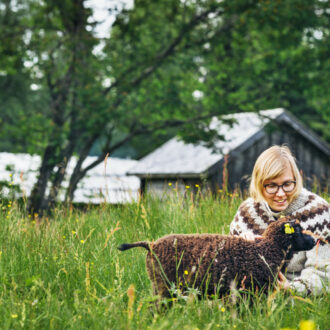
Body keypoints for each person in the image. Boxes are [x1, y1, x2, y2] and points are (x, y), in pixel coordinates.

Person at [230, 145, 329, 294]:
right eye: (271, 186)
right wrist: (241, 246)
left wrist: (293, 289)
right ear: (259, 184)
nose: (281, 194)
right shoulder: (247, 213)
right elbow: (230, 267)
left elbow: (324, 271)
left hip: (301, 296)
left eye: (288, 184)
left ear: (296, 179)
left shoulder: (318, 212)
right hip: (254, 296)